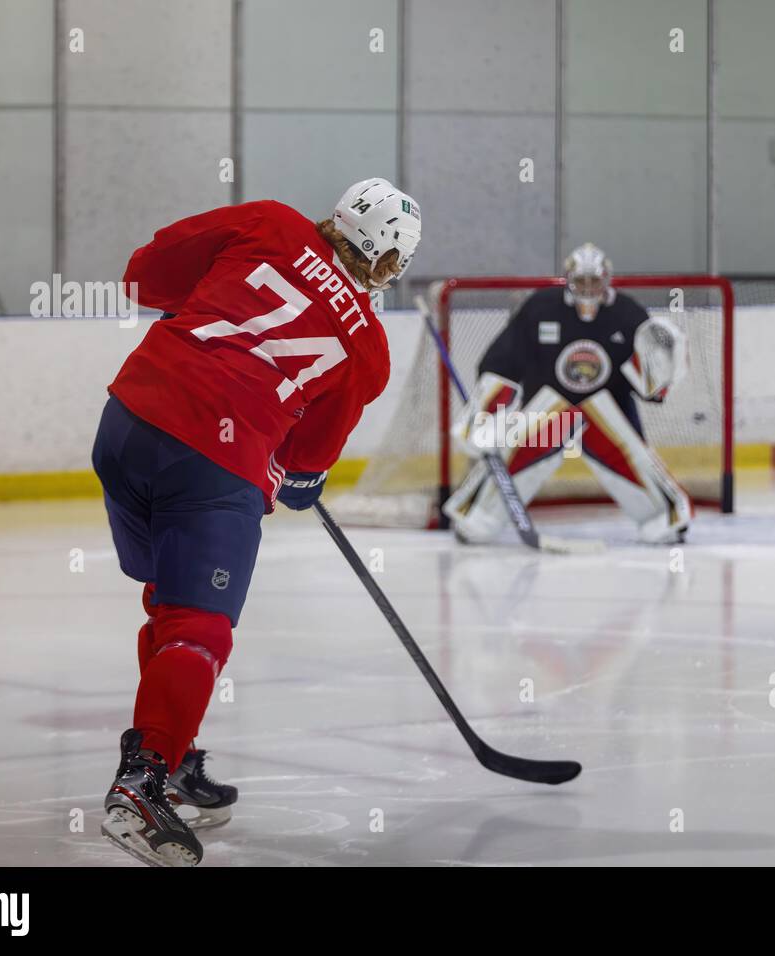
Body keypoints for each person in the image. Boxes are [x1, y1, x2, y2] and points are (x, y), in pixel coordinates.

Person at [92, 179, 420, 866]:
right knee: (199, 624)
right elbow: (302, 472)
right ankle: (142, 784)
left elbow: (143, 276)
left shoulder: (268, 221)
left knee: (167, 599)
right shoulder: (368, 349)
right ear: (389, 262)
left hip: (127, 421)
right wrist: (296, 476)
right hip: (213, 458)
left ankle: (169, 753)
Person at [444, 243, 692, 545]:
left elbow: (649, 385)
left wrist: (665, 371)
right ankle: (476, 516)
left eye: (594, 281)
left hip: (607, 412)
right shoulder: (540, 308)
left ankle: (663, 517)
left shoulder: (628, 315)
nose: (588, 289)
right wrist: (484, 410)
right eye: (581, 282)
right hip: (551, 411)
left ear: (606, 280)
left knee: (634, 455)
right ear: (568, 280)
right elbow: (503, 362)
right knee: (515, 450)